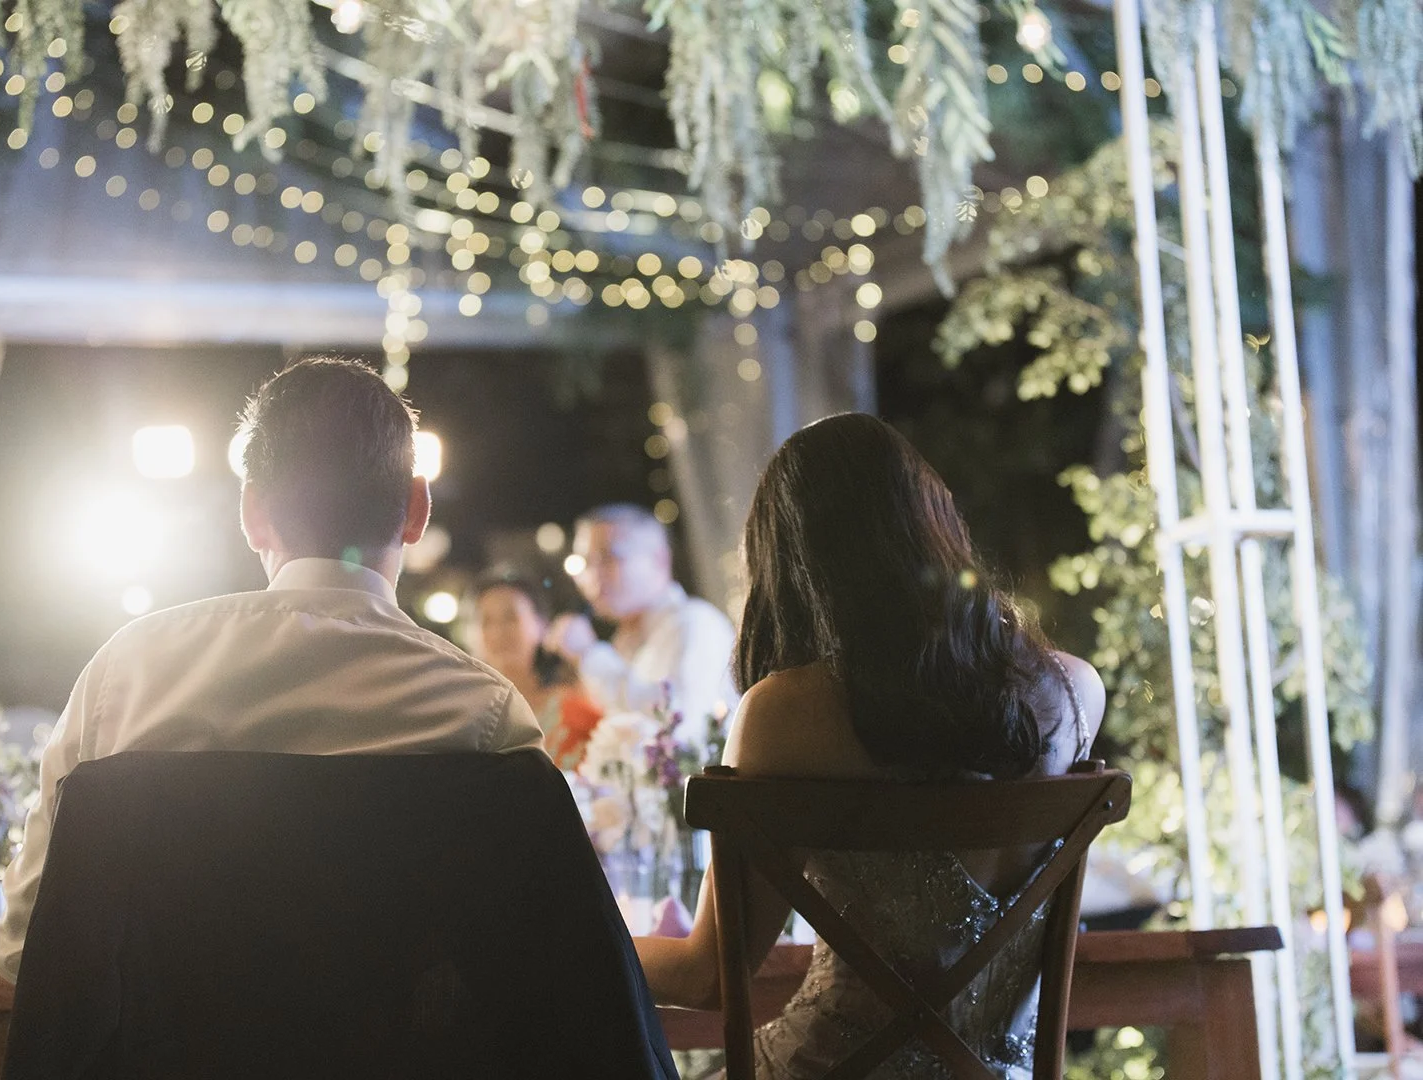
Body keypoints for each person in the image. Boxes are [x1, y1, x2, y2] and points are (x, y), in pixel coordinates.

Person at [0, 356, 541, 982]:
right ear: (417, 511)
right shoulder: (483, 714)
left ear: (253, 513)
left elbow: (26, 947)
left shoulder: (128, 675)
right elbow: (535, 951)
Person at [633, 413, 1105, 1078]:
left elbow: (709, 975)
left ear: (798, 562)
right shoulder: (1076, 692)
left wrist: (581, 936)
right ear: (934, 527)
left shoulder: (782, 714)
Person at [544, 504, 738, 751]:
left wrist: (589, 655)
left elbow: (678, 731)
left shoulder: (695, 624)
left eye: (607, 557)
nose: (592, 575)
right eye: (585, 562)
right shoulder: (623, 643)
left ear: (659, 559)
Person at [468, 571, 603, 769]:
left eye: (510, 617)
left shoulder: (576, 708)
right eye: (487, 621)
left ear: (541, 624)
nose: (498, 632)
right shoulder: (468, 717)